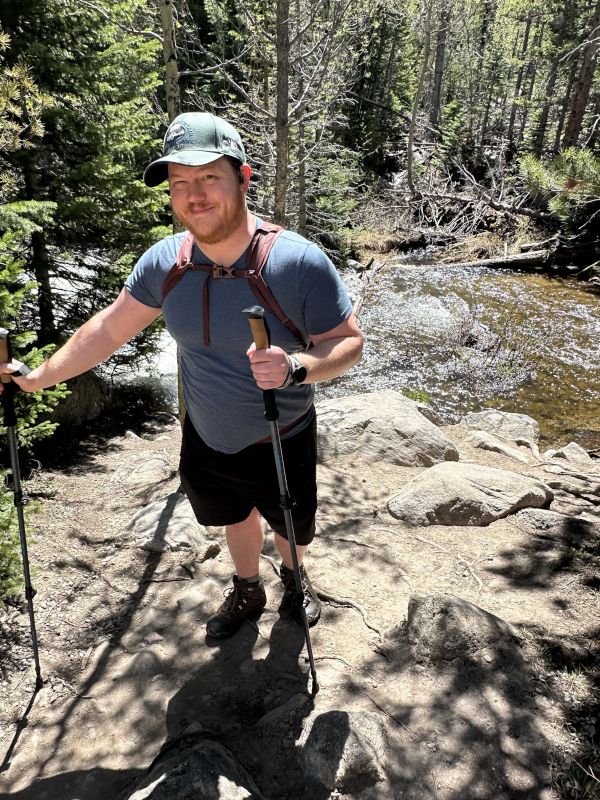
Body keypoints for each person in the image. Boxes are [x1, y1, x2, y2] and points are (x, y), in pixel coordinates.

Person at [0, 112, 363, 640]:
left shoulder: (297, 262)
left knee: (290, 522)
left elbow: (348, 342)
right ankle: (248, 586)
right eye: (179, 182)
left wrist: (295, 367)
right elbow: (108, 328)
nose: (194, 195)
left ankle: (294, 578)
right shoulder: (165, 263)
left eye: (209, 177)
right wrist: (36, 378)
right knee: (233, 514)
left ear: (243, 178)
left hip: (280, 432)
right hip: (206, 432)